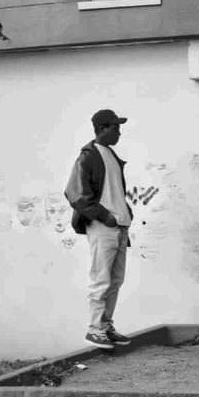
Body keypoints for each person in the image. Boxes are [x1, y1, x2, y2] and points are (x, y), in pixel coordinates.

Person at [64, 108, 134, 350]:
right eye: (116, 127)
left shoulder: (111, 155)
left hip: (119, 226)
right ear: (102, 128)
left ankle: (105, 326)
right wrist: (105, 216)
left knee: (115, 280)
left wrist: (124, 215)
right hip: (104, 226)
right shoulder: (89, 155)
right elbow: (74, 194)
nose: (119, 132)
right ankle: (94, 330)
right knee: (100, 279)